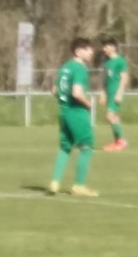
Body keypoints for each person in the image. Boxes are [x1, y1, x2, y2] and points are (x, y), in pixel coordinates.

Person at [48, 38, 98, 197]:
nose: (91, 53)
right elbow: (77, 93)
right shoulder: (79, 68)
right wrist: (88, 104)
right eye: (87, 50)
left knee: (65, 147)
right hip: (77, 112)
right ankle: (79, 186)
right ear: (78, 51)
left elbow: (54, 91)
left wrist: (64, 102)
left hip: (64, 111)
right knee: (86, 146)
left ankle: (55, 183)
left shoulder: (65, 68)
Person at [100, 37, 129, 151]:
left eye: (106, 46)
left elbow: (124, 78)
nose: (104, 49)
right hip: (109, 93)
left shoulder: (120, 61)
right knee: (114, 118)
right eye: (103, 46)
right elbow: (105, 80)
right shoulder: (107, 62)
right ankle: (117, 143)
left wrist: (119, 93)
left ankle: (121, 141)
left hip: (115, 93)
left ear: (113, 47)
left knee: (109, 116)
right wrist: (103, 93)